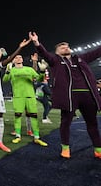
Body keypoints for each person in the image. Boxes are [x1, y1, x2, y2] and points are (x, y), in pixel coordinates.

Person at [29, 31, 101, 159]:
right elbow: (44, 54)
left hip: (88, 95)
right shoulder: (55, 60)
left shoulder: (80, 58)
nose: (65, 48)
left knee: (92, 123)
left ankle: (98, 149)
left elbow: (96, 52)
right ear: (57, 52)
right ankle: (66, 148)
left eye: (67, 46)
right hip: (68, 96)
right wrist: (36, 42)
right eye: (62, 47)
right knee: (66, 122)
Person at [2, 54, 48, 147]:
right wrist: (7, 71)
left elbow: (39, 79)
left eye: (20, 57)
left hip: (30, 96)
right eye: (16, 57)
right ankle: (18, 136)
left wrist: (42, 71)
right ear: (13, 61)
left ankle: (37, 137)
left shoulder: (29, 69)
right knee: (18, 116)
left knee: (34, 116)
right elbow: (5, 80)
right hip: (18, 97)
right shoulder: (12, 70)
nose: (18, 58)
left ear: (22, 59)